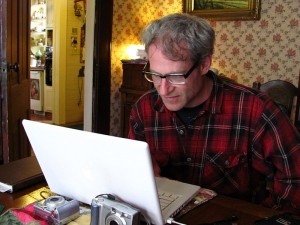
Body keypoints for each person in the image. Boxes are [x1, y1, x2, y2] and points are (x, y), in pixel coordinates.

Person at [128, 13, 300, 215]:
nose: (163, 90)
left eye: (175, 76)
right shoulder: (144, 109)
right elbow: (132, 171)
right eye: (156, 75)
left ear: (204, 65)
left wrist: (265, 218)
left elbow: (295, 179)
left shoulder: (256, 110)